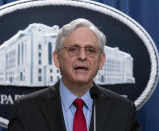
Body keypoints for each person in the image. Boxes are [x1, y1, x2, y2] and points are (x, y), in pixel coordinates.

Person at [8, 18, 141, 131]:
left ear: (101, 61)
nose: (82, 56)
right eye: (73, 49)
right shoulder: (26, 110)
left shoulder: (124, 111)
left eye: (90, 50)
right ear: (56, 58)